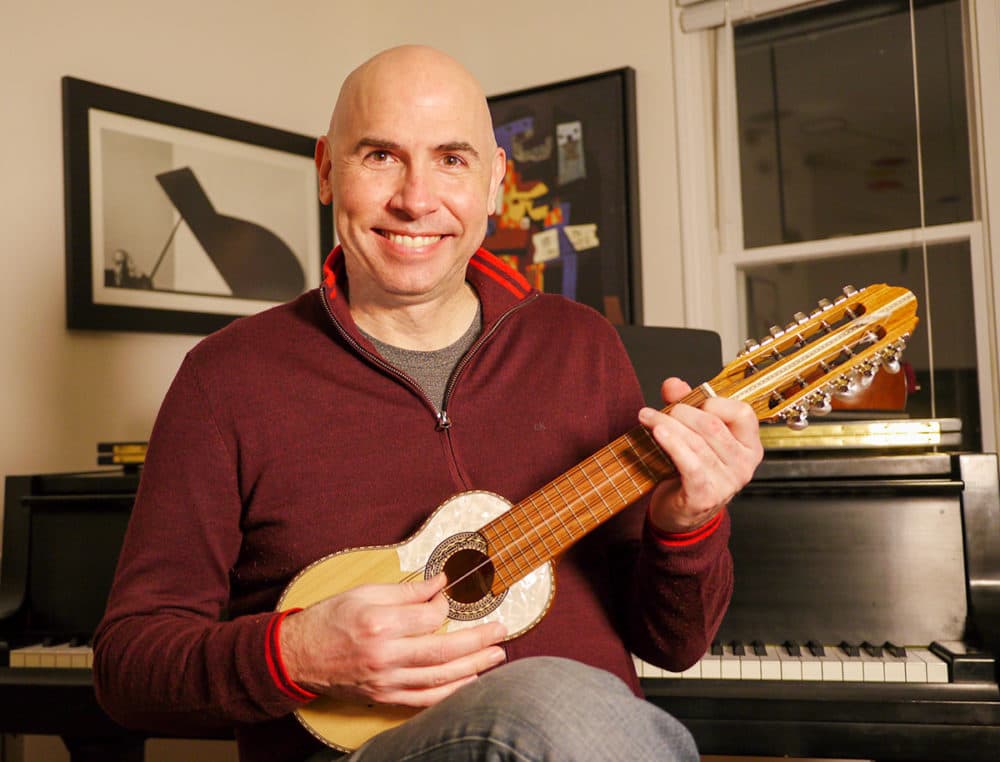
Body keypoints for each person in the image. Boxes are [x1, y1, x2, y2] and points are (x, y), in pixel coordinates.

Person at [93, 45, 763, 762]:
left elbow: (675, 643)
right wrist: (296, 652)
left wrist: (686, 524)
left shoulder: (580, 345)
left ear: (496, 182)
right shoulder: (223, 379)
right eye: (380, 156)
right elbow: (128, 668)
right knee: (551, 703)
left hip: (596, 738)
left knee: (571, 705)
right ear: (326, 170)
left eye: (452, 159)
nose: (416, 199)